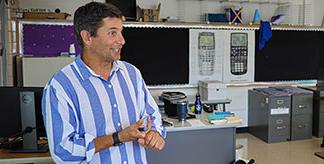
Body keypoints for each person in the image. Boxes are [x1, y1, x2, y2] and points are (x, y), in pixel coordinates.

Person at [42, 2, 166, 163]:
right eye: (112, 33)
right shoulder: (60, 87)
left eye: (121, 32)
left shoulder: (131, 74)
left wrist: (154, 133)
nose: (122, 40)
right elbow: (63, 151)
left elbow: (152, 116)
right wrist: (117, 137)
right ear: (87, 37)